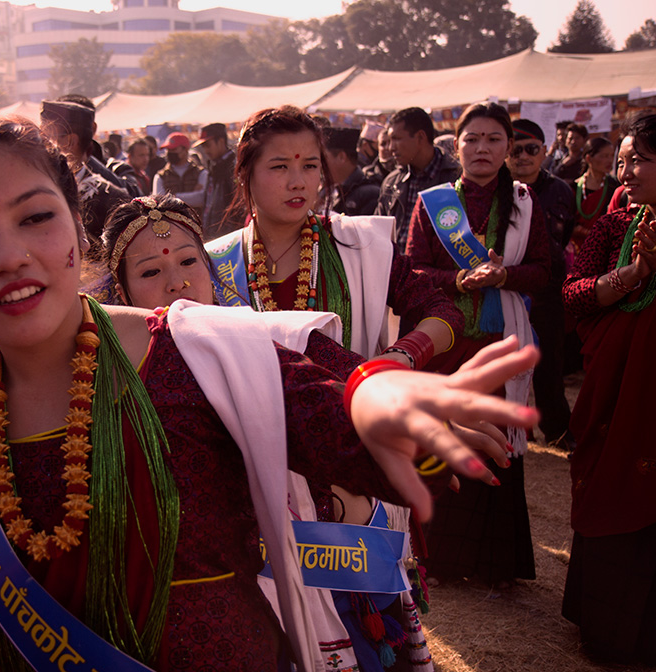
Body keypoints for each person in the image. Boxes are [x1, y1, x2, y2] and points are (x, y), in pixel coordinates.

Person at [0, 114, 539, 672]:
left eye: (35, 217)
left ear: (77, 227)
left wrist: (376, 402)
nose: (10, 255)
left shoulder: (199, 348)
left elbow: (342, 418)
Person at [102, 194, 441, 670]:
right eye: (150, 273)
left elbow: (358, 389)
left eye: (188, 261)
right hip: (208, 590)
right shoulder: (116, 381)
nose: (178, 282)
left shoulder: (277, 337)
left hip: (314, 564)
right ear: (122, 294)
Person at [406, 102, 551, 588]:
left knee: (492, 446)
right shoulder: (432, 204)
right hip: (446, 342)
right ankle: (439, 559)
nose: (482, 148)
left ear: (508, 147)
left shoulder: (527, 203)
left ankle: (493, 564)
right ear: (457, 145)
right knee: (444, 442)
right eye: (472, 139)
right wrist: (459, 279)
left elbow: (548, 272)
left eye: (493, 139)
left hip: (498, 344)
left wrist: (507, 274)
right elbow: (413, 271)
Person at [207, 105, 462, 367]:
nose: (298, 182)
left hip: (349, 402)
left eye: (309, 165)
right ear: (243, 173)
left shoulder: (359, 244)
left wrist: (404, 354)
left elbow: (443, 311)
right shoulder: (215, 261)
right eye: (280, 166)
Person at [560, 111, 656, 666]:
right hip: (612, 392)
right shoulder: (617, 227)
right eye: (622, 162)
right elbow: (571, 299)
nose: (626, 174)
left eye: (640, 159)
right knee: (607, 485)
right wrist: (633, 276)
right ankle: (604, 625)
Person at [507, 119, 575, 449]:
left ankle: (558, 429)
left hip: (548, 291)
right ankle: (510, 430)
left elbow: (567, 234)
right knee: (504, 365)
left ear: (545, 151)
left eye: (532, 149)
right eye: (516, 150)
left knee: (550, 363)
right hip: (507, 289)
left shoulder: (561, 190)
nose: (524, 156)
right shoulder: (497, 190)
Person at [40, 99, 129, 251]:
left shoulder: (110, 198)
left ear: (69, 141)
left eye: (44, 137)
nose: (40, 144)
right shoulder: (36, 191)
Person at [376, 107, 461, 252]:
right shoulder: (392, 182)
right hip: (394, 271)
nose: (391, 148)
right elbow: (377, 231)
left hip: (435, 272)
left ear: (421, 137)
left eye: (396, 139)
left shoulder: (455, 179)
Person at [194, 122, 243, 239]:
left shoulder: (234, 167)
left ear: (220, 141)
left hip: (229, 235)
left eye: (208, 145)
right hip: (213, 233)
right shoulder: (214, 167)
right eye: (203, 146)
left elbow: (239, 205)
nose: (205, 150)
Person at [570, 137, 619, 254]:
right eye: (604, 156)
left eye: (611, 156)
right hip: (576, 250)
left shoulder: (615, 188)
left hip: (605, 249)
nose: (609, 160)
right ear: (589, 158)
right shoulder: (573, 188)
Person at [323, 127, 381, 216]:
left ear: (342, 157)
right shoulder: (331, 191)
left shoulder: (369, 195)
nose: (320, 164)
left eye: (324, 158)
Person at [153, 132, 207, 216]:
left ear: (185, 150)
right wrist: (191, 197)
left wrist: (173, 197)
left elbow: (201, 198)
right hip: (172, 224)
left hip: (196, 222)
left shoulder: (201, 173)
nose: (170, 153)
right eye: (168, 150)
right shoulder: (160, 176)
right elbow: (159, 203)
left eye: (174, 150)